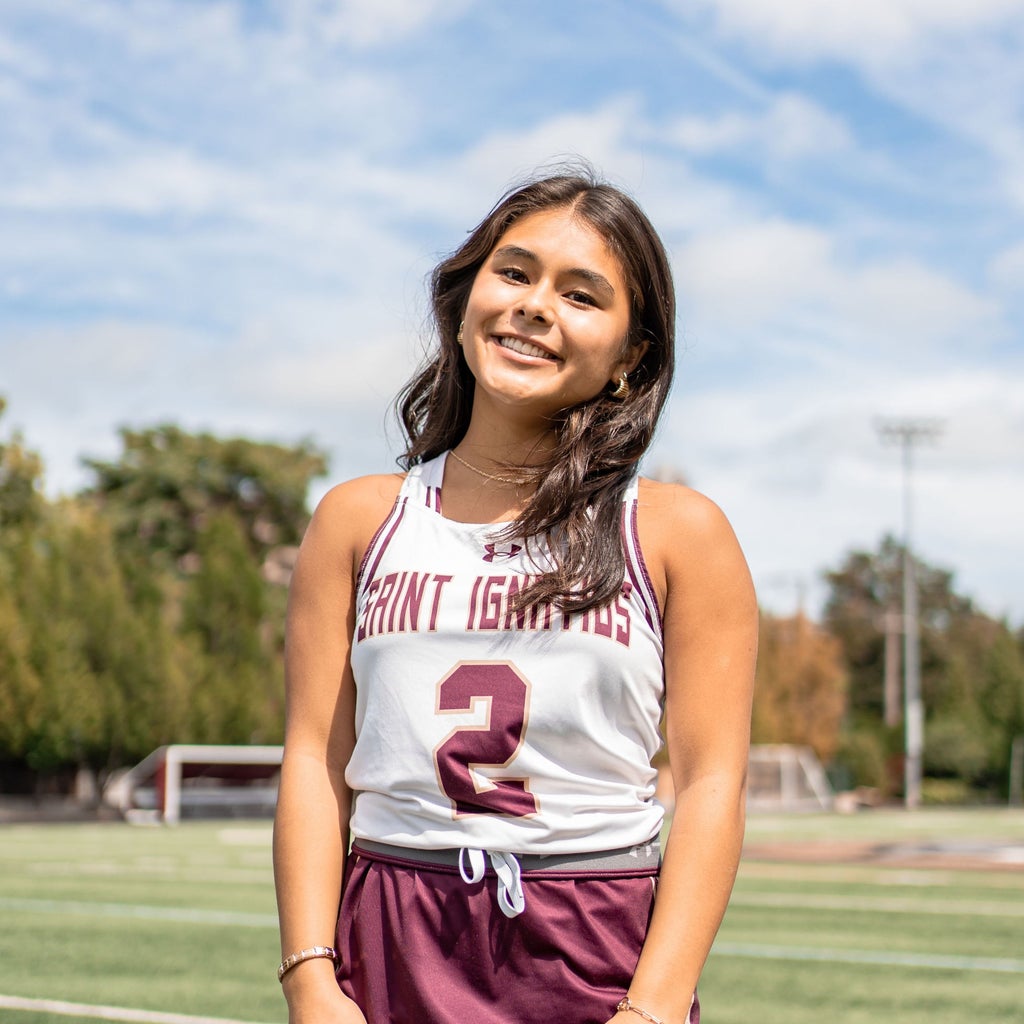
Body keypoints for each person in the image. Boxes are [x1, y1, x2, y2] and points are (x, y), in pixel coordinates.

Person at [273, 167, 758, 1024]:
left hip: (595, 932)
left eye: (582, 294)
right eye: (515, 272)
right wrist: (311, 975)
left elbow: (715, 782)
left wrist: (652, 1006)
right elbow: (316, 759)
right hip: (392, 929)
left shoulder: (677, 533)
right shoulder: (359, 519)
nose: (536, 305)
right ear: (465, 301)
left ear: (630, 355)